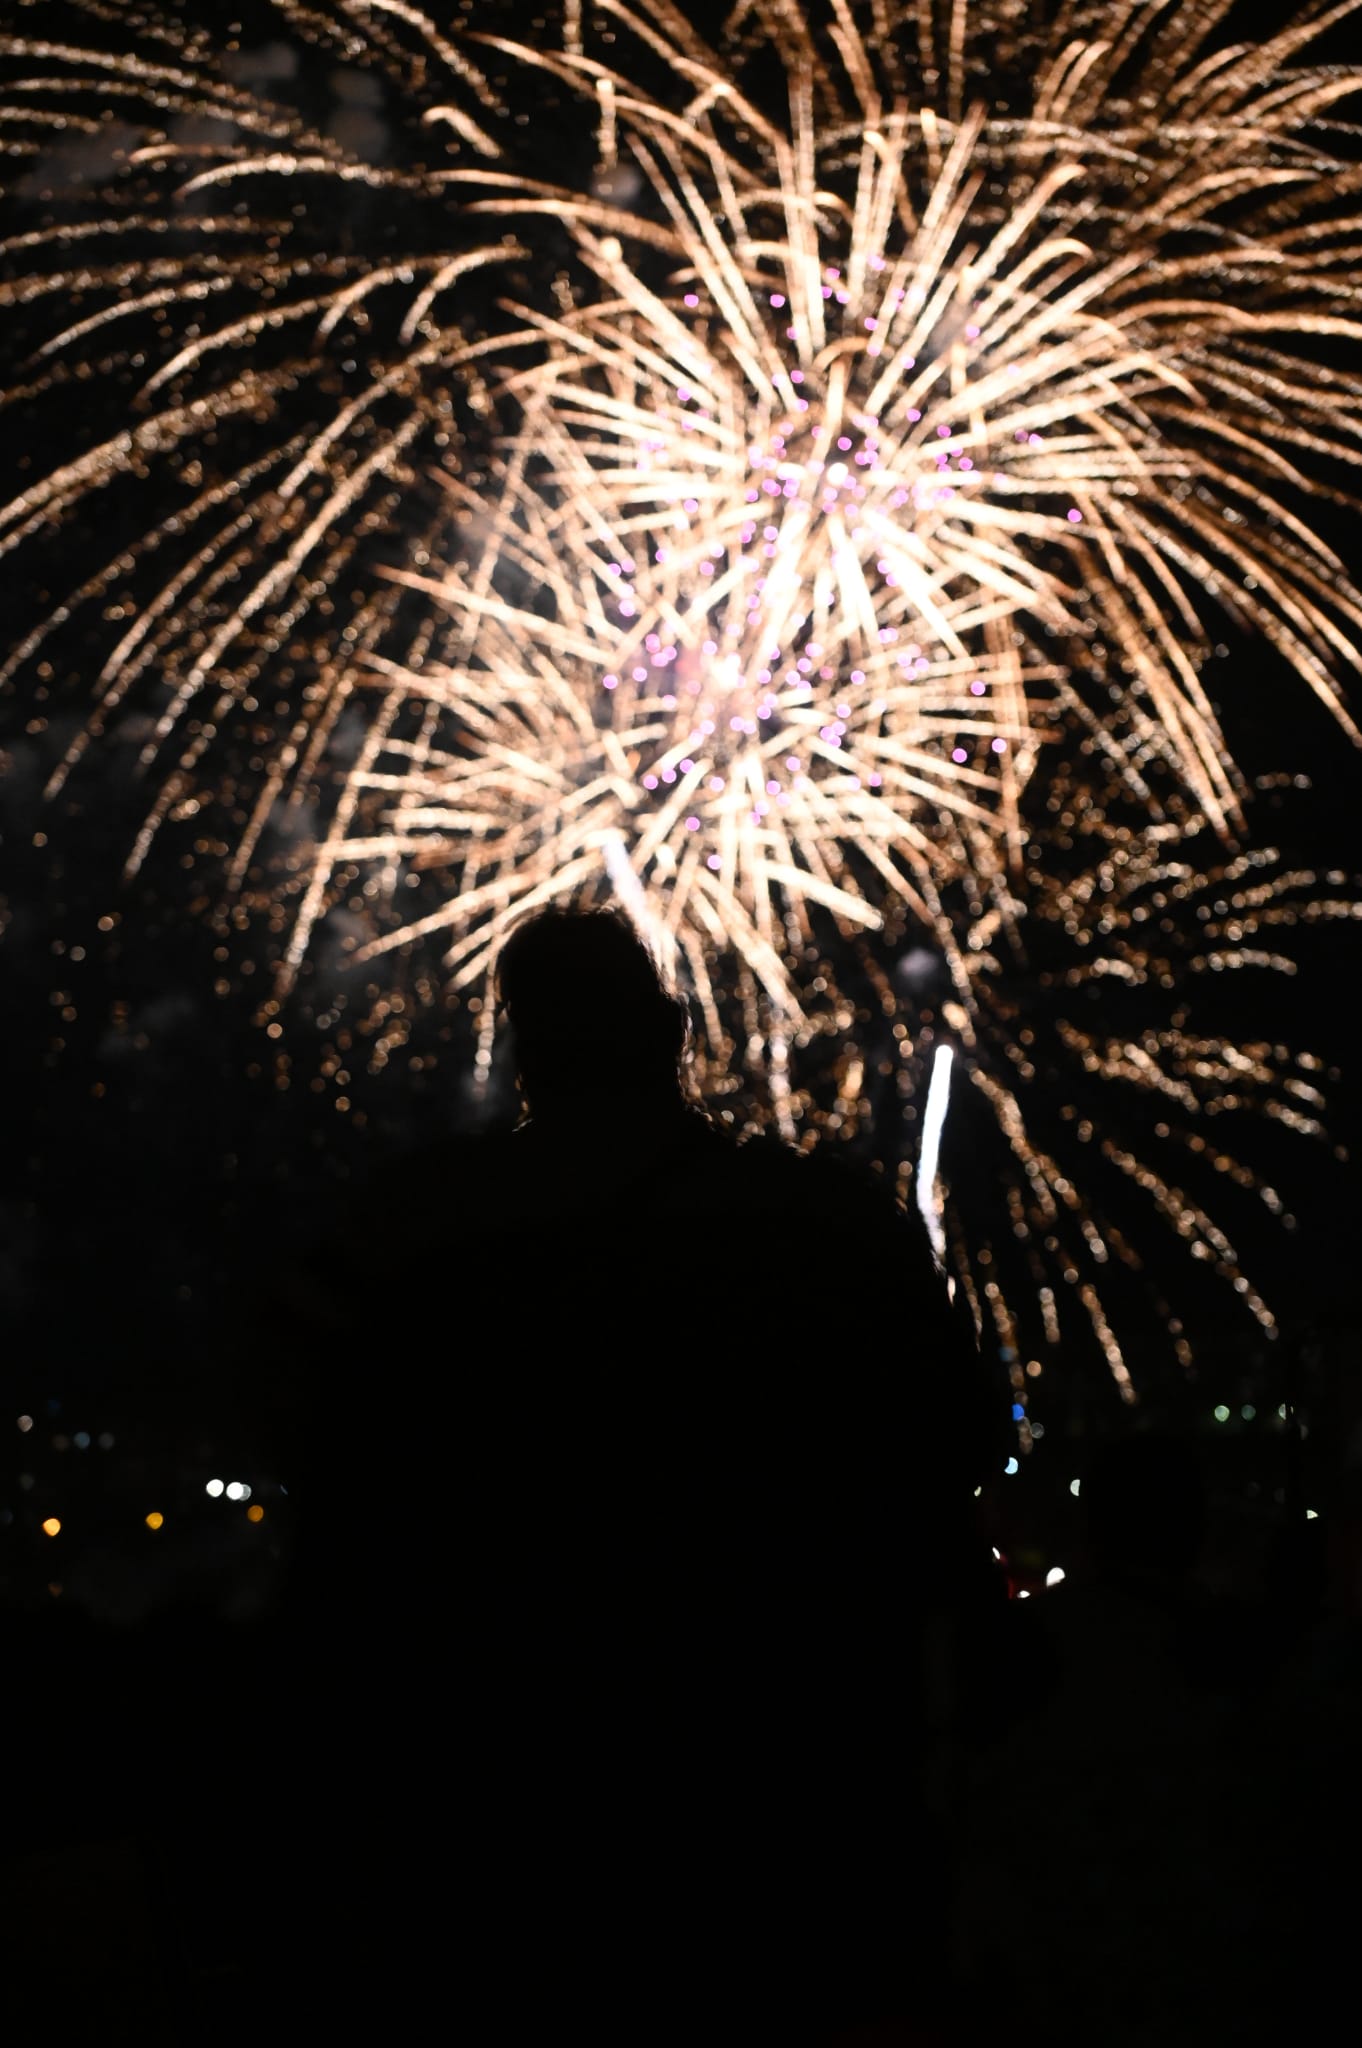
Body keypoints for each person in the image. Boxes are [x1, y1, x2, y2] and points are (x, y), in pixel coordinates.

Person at [261, 905, 1001, 2044]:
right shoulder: (830, 1226)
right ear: (671, 1031)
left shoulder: (415, 1233)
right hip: (792, 1778)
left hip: (505, 1786)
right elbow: (952, 1448)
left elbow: (313, 1445)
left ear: (526, 1046)